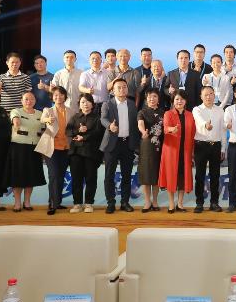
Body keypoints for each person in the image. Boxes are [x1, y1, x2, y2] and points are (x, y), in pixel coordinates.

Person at [99, 78, 140, 213]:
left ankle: (125, 202)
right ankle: (110, 202)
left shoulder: (132, 104)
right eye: (119, 87)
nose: (122, 89)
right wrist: (109, 126)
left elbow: (135, 124)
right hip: (112, 144)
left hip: (127, 144)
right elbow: (103, 119)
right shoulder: (107, 104)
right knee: (109, 175)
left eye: (124, 87)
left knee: (126, 175)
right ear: (113, 90)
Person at [7, 91, 46, 211]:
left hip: (35, 148)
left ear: (35, 101)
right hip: (18, 147)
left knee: (31, 176)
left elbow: (44, 130)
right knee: (17, 176)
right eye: (26, 99)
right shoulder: (16, 111)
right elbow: (15, 120)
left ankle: (27, 202)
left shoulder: (40, 114)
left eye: (32, 99)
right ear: (21, 101)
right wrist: (16, 122)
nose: (29, 101)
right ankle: (17, 203)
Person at [66, 93, 103, 213]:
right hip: (76, 152)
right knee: (76, 179)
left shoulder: (98, 118)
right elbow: (68, 131)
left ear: (92, 104)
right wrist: (78, 130)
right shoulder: (75, 117)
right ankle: (77, 204)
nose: (85, 104)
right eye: (82, 102)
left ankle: (88, 203)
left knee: (90, 178)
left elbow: (99, 133)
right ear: (79, 104)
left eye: (88, 101)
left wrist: (84, 137)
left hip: (91, 153)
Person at [160, 90, 196, 213]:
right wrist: (171, 129)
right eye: (176, 99)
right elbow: (165, 128)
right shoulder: (168, 114)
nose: (179, 101)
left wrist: (192, 151)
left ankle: (180, 204)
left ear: (185, 101)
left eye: (182, 99)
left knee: (182, 178)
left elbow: (193, 133)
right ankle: (171, 204)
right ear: (173, 101)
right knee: (171, 177)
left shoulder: (190, 115)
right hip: (171, 152)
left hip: (185, 151)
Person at [38, 86, 71, 215]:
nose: (58, 97)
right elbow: (42, 119)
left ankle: (57, 202)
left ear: (65, 96)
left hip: (66, 147)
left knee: (61, 175)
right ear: (52, 97)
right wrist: (48, 119)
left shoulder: (70, 110)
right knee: (54, 175)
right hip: (51, 147)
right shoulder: (48, 110)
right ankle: (52, 203)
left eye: (61, 94)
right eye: (56, 95)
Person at [137, 88, 165, 213]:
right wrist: (143, 131)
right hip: (146, 145)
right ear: (146, 99)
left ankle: (155, 201)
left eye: (154, 96)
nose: (151, 99)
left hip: (160, 147)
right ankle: (147, 201)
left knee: (156, 176)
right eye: (149, 96)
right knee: (146, 175)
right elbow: (140, 123)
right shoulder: (142, 112)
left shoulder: (163, 112)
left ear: (158, 99)